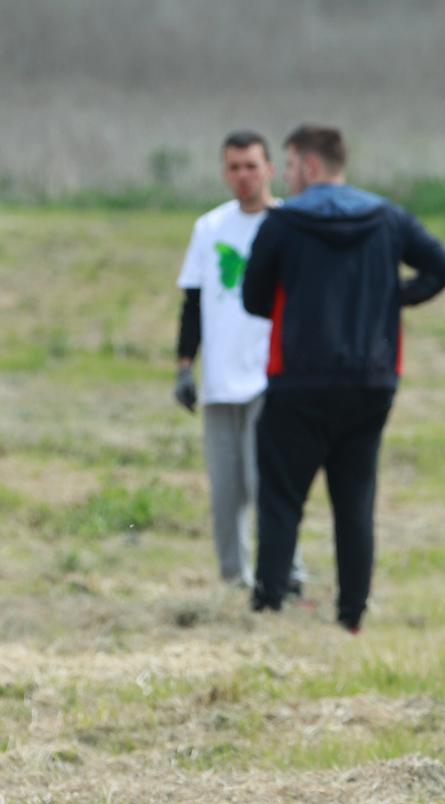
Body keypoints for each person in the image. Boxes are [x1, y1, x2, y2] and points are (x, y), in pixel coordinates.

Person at [241, 123, 445, 632]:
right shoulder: (387, 217)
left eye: (290, 165)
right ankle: (352, 614)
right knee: (355, 500)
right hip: (371, 379)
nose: (289, 175)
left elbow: (254, 298)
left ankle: (270, 603)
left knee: (281, 498)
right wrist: (393, 297)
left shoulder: (284, 223)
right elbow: (444, 267)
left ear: (310, 166)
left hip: (298, 378)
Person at [173, 130, 302, 592]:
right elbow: (192, 303)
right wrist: (185, 367)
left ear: (269, 168)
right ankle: (233, 580)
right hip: (220, 379)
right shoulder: (210, 229)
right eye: (234, 167)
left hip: (272, 377)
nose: (243, 176)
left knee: (268, 482)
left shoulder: (291, 223)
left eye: (251, 166)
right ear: (223, 172)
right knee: (225, 491)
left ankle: (286, 574)